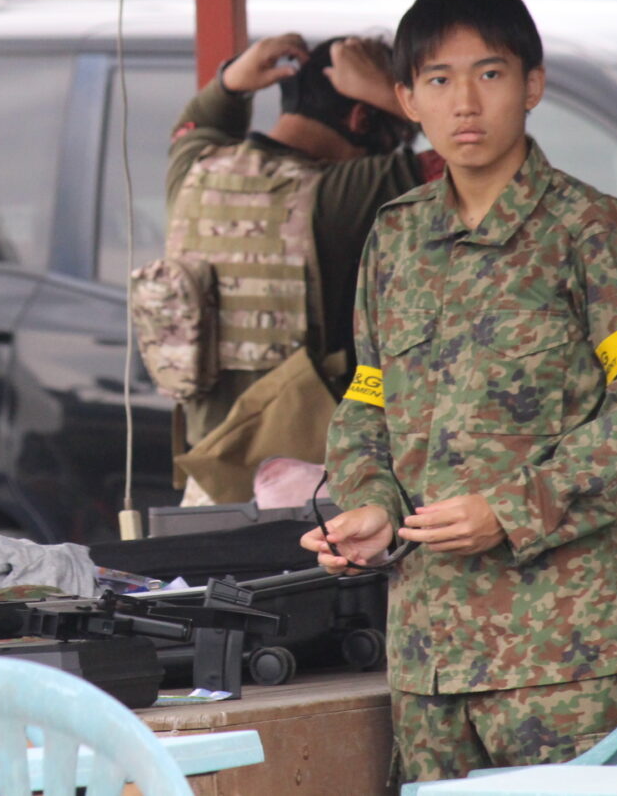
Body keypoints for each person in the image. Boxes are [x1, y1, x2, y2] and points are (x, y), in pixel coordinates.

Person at [300, 0, 617, 783]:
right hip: (427, 663)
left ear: (533, 84)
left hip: (562, 660)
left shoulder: (595, 231)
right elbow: (367, 400)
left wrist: (510, 509)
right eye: (438, 80)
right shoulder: (395, 239)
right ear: (406, 98)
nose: (465, 102)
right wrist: (370, 505)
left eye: (489, 73)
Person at [156, 31, 433, 499]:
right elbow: (477, 158)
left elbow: (192, 125)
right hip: (313, 488)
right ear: (362, 117)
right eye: (397, 136)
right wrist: (392, 95)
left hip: (212, 481)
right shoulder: (341, 194)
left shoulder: (192, 170)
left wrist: (230, 84)